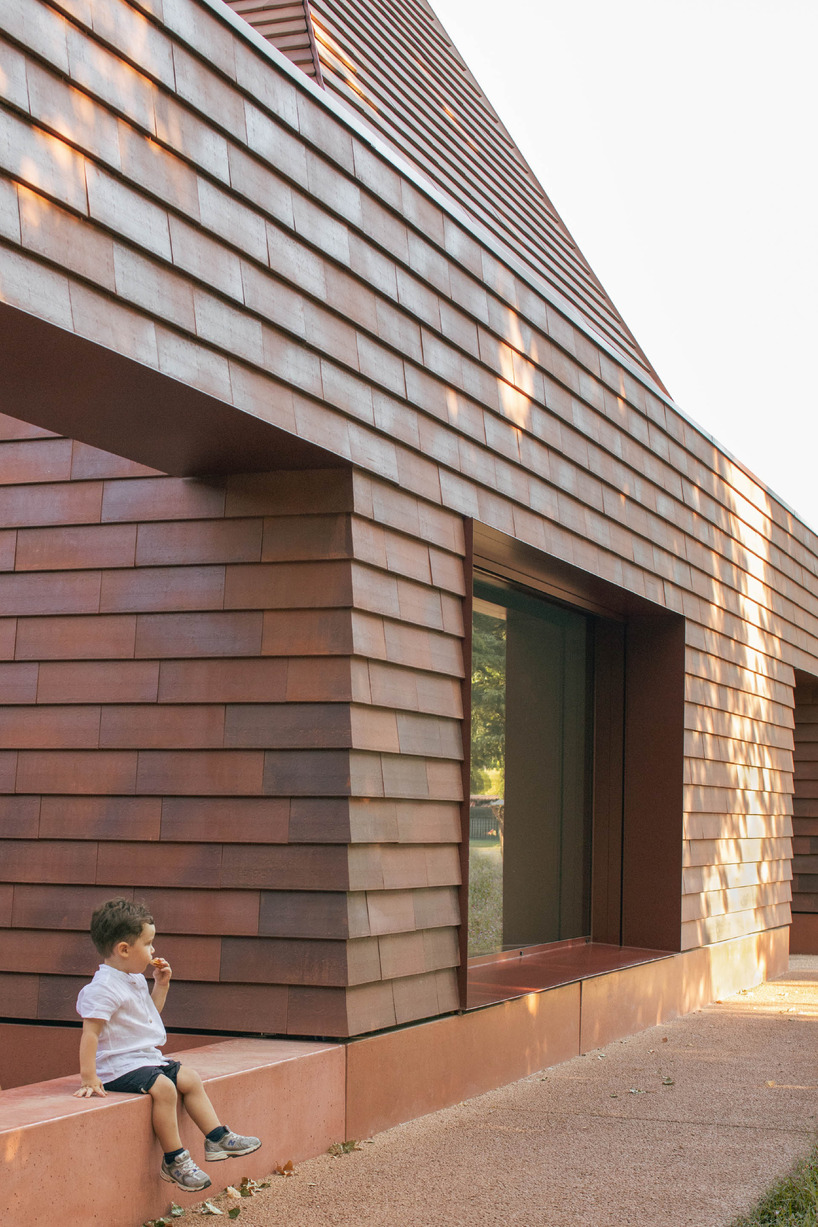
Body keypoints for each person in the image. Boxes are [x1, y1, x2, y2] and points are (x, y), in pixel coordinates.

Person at [74, 898, 261, 1193]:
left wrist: (161, 986)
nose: (153, 951)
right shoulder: (102, 988)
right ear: (124, 949)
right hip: (117, 1066)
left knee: (189, 1078)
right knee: (164, 1088)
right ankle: (174, 1159)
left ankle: (216, 1137)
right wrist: (89, 1077)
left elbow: (148, 1020)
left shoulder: (133, 978)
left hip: (143, 1059)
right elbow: (90, 1035)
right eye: (148, 943)